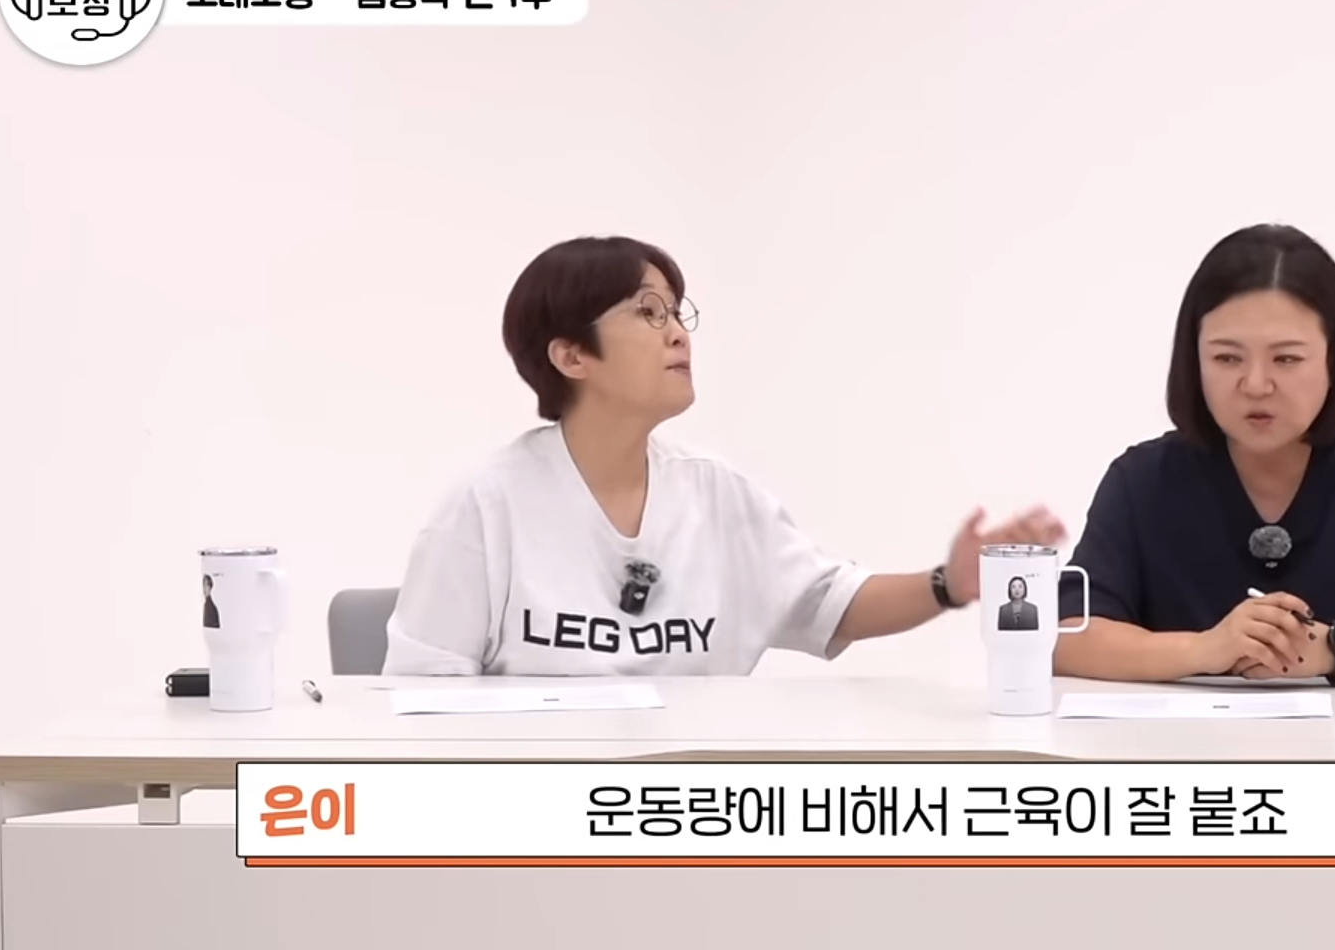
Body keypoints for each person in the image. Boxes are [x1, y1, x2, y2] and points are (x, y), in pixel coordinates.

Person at [383, 235, 1066, 676]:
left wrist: (949, 582)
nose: (679, 334)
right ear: (571, 355)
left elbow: (831, 604)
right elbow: (420, 702)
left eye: (679, 313)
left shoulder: (716, 495)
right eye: (649, 313)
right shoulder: (487, 506)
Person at [1053, 224, 1335, 685]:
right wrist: (1205, 648)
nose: (1256, 385)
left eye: (1286, 359)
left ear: (1333, 359)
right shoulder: (1141, 483)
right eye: (1227, 358)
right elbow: (1068, 636)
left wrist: (1331, 649)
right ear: (1194, 360)